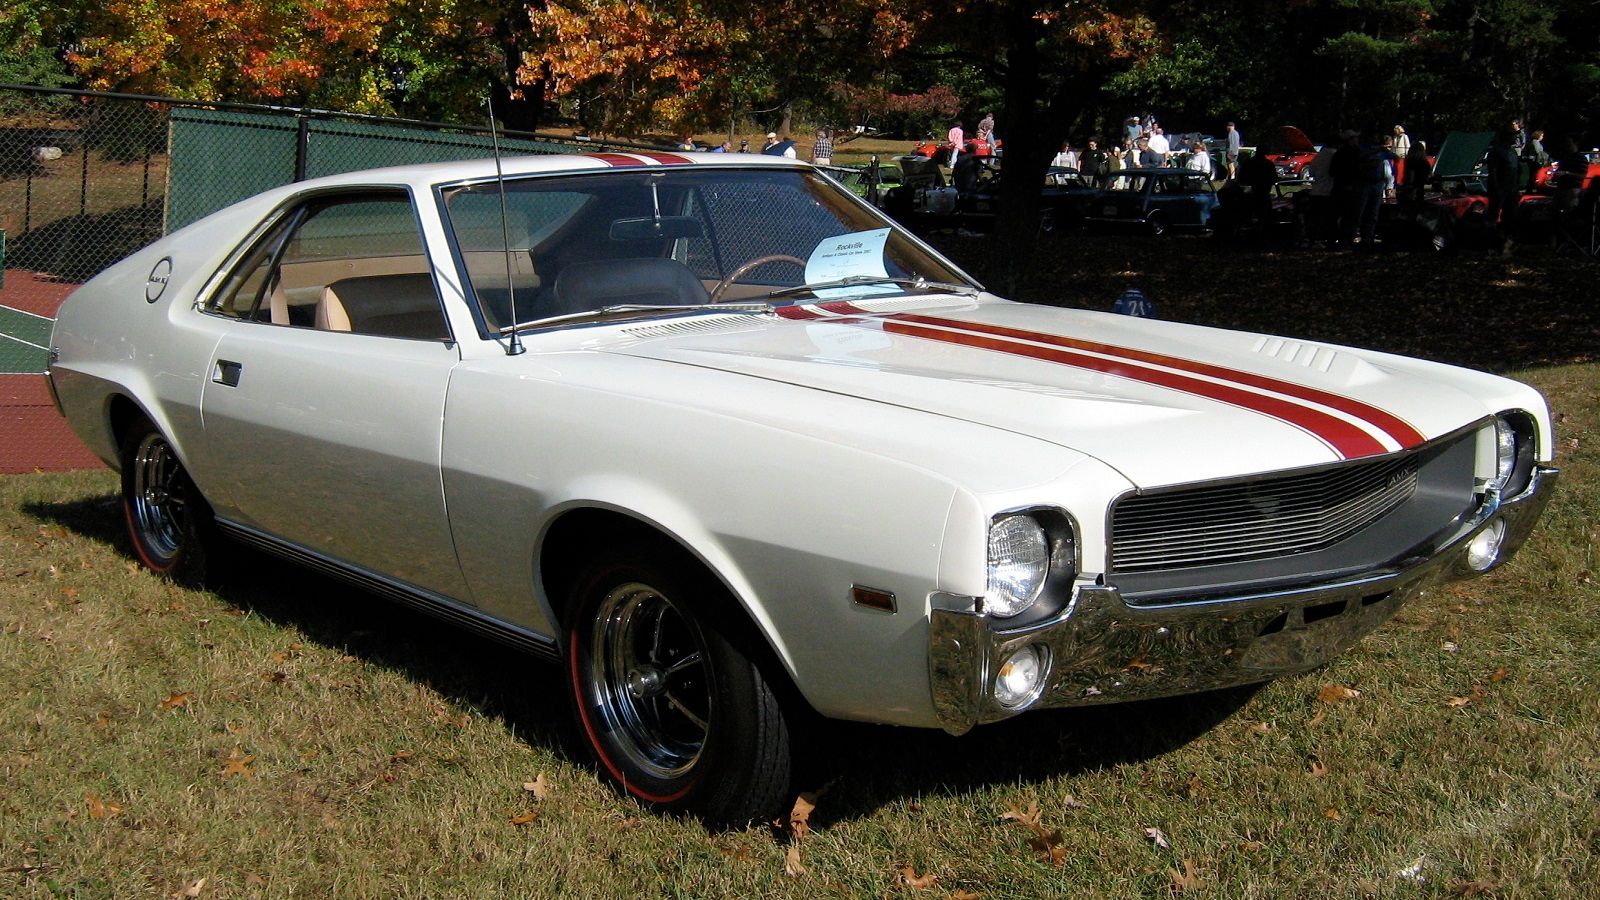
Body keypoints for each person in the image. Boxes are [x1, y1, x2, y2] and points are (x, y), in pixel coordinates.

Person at [1484, 127, 1521, 238]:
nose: (1516, 137)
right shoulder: (1496, 151)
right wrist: (1496, 187)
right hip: (1500, 187)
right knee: (1493, 214)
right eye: (1513, 135)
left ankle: (1506, 237)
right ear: (1507, 137)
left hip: (1511, 188)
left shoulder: (1512, 151)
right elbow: (1493, 170)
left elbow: (1516, 169)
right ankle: (1489, 238)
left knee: (1510, 214)